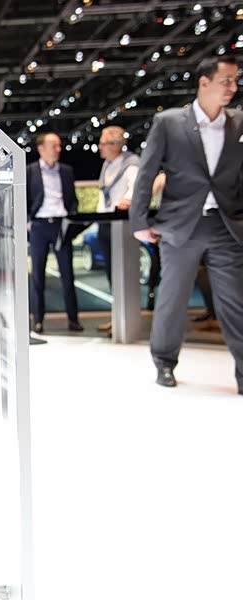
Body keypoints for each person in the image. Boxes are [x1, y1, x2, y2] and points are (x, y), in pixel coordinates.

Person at [130, 55, 243, 391]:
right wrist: (139, 220)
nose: (232, 87)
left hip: (226, 225)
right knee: (173, 299)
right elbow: (147, 173)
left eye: (235, 80)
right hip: (180, 225)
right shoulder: (169, 122)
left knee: (235, 302)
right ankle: (164, 362)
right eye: (226, 80)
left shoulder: (239, 122)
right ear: (204, 82)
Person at [27, 132, 83, 334]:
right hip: (39, 226)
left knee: (68, 275)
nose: (58, 150)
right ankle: (38, 320)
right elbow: (25, 198)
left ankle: (73, 319)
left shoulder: (66, 171)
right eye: (54, 146)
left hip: (61, 225)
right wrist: (28, 222)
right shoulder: (30, 171)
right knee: (37, 277)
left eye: (59, 146)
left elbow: (72, 199)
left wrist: (72, 216)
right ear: (41, 149)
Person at [96, 126, 140, 333]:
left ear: (115, 145)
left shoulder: (131, 163)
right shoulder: (107, 165)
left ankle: (125, 319)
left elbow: (137, 186)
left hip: (121, 223)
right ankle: (117, 317)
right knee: (111, 273)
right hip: (106, 222)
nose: (100, 147)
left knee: (122, 273)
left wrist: (127, 200)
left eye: (103, 143)